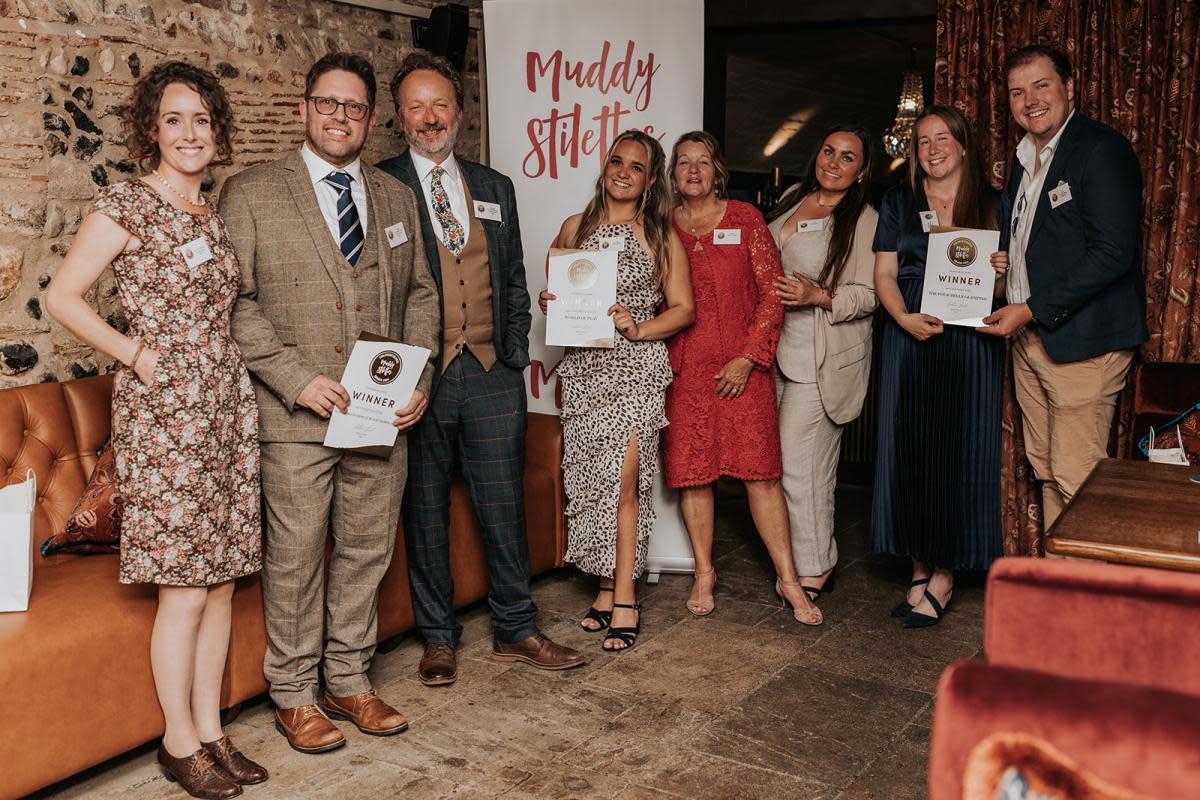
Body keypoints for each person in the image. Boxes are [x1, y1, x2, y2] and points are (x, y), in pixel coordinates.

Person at [46, 61, 265, 798]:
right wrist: (135, 354)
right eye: (174, 119)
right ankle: (178, 743)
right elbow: (62, 297)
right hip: (167, 412)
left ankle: (212, 732)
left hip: (226, 408)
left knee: (224, 581)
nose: (190, 132)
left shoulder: (211, 212)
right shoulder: (126, 206)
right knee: (184, 588)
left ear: (217, 131)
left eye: (201, 119)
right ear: (151, 129)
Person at [223, 53, 441, 753]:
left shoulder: (397, 197)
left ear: (371, 120)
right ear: (303, 108)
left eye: (353, 107)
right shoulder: (251, 191)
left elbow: (421, 297)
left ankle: (349, 679)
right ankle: (292, 693)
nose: (340, 116)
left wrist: (419, 380)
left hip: (380, 412)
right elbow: (236, 303)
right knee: (295, 558)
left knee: (368, 549)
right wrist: (296, 379)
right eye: (327, 103)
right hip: (293, 417)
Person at [377, 52, 584, 684]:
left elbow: (515, 278)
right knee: (425, 508)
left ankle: (516, 628)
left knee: (504, 505)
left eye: (440, 103)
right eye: (416, 106)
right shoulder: (382, 185)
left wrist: (515, 353)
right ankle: (438, 637)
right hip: (423, 376)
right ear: (399, 117)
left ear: (460, 113)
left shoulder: (495, 187)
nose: (430, 117)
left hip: (493, 372)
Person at [979, 45, 1147, 528]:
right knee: (1049, 471)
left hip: (1083, 342)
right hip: (1032, 338)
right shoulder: (1023, 155)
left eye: (1041, 85)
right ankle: (1063, 595)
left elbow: (1114, 252)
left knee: (1079, 478)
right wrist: (1006, 266)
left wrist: (1029, 308)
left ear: (1069, 88)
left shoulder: (1100, 149)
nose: (1029, 99)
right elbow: (1045, 238)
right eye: (1017, 91)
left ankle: (1094, 602)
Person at [539, 130, 695, 650]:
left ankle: (625, 597)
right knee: (595, 483)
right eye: (616, 162)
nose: (622, 172)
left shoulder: (659, 233)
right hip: (585, 371)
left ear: (651, 181)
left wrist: (638, 328)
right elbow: (563, 297)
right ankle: (605, 587)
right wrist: (551, 302)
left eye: (636, 167)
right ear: (605, 167)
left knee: (626, 483)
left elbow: (683, 309)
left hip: (634, 370)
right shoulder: (574, 226)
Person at [662, 130, 821, 626]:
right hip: (686, 370)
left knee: (761, 474)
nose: (693, 170)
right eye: (684, 162)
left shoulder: (745, 219)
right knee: (695, 473)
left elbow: (773, 293)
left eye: (703, 162)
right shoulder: (664, 225)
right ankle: (705, 572)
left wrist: (749, 358)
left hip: (743, 369)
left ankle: (788, 577)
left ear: (717, 172)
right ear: (673, 174)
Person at [872, 106, 1008, 628]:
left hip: (970, 343)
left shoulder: (993, 203)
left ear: (964, 145)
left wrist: (1000, 275)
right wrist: (902, 319)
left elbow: (1000, 290)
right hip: (910, 336)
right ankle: (917, 564)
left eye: (942, 138)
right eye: (923, 140)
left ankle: (945, 575)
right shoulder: (898, 201)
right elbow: (884, 272)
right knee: (910, 446)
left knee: (957, 449)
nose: (932, 148)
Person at [766, 124, 879, 608]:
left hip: (825, 354)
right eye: (829, 151)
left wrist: (819, 296)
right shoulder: (795, 196)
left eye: (847, 157)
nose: (834, 162)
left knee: (800, 464)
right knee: (790, 463)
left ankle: (816, 566)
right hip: (776, 349)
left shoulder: (865, 219)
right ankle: (799, 558)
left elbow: (872, 294)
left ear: (862, 172)